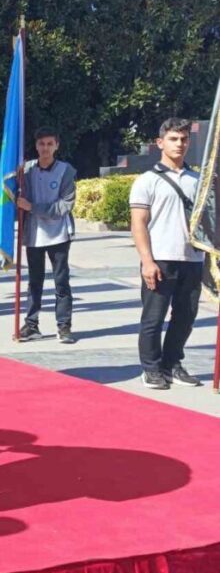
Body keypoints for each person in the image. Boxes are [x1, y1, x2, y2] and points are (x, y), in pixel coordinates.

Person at [129, 118, 204, 390]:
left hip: (193, 259)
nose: (180, 144)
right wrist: (147, 261)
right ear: (160, 143)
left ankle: (171, 363)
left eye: (184, 139)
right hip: (160, 257)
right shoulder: (147, 181)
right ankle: (150, 368)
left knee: (186, 316)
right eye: (174, 139)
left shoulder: (199, 180)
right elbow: (138, 222)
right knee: (153, 318)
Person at [17, 127, 76, 344]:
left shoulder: (66, 171)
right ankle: (31, 324)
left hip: (59, 234)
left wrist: (32, 207)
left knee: (61, 282)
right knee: (34, 281)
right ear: (36, 146)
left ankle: (64, 326)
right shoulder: (27, 170)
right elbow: (12, 188)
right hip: (34, 235)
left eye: (50, 144)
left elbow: (65, 205)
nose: (45, 148)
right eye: (41, 144)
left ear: (57, 146)